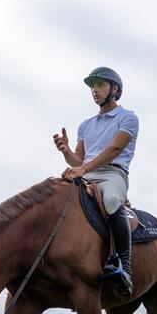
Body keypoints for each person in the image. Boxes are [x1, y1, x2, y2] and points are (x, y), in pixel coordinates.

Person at [53, 67, 139, 297]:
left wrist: (82, 169)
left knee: (111, 200)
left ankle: (126, 267)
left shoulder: (128, 117)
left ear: (115, 89)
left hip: (113, 174)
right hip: (85, 172)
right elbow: (78, 159)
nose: (94, 90)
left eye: (100, 84)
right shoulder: (85, 124)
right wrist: (66, 151)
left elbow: (114, 149)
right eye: (92, 86)